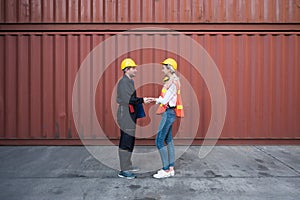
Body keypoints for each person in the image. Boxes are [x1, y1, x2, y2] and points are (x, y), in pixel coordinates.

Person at [116, 58, 153, 179]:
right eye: (133, 68)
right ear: (127, 69)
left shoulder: (129, 81)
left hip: (130, 114)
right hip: (125, 114)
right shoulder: (123, 82)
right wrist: (142, 100)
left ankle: (128, 164)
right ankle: (124, 170)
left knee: (130, 140)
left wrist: (141, 101)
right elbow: (128, 100)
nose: (136, 70)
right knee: (126, 141)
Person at [153, 58, 184, 179]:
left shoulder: (172, 83)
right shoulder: (174, 81)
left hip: (168, 113)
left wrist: (153, 99)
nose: (162, 69)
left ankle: (165, 170)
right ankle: (171, 168)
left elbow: (165, 100)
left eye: (164, 67)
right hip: (170, 113)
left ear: (169, 69)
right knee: (169, 140)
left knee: (159, 141)